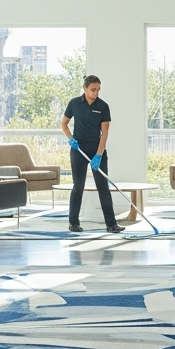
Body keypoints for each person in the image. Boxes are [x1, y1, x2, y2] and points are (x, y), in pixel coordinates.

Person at [61, 75, 122, 233]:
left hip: (97, 148)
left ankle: (111, 224)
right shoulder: (74, 103)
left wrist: (99, 155)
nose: (96, 93)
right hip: (78, 150)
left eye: (98, 90)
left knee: (103, 187)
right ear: (85, 88)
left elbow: (105, 133)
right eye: (93, 90)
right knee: (78, 187)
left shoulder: (103, 106)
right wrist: (70, 138)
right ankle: (73, 223)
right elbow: (64, 123)